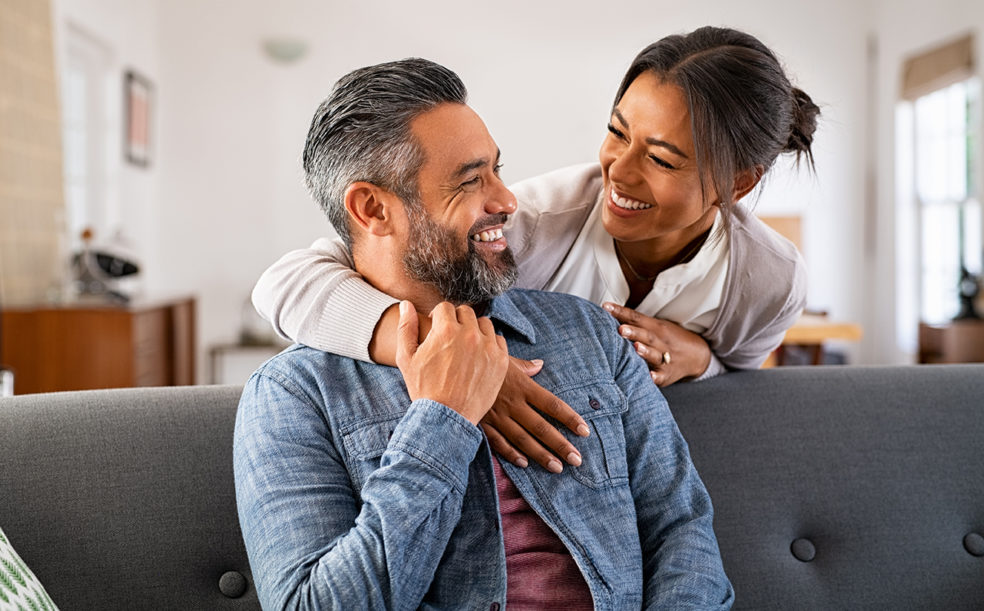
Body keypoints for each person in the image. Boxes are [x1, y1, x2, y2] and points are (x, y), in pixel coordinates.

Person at [234, 57, 733, 609]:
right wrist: (440, 421)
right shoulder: (294, 395)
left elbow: (682, 530)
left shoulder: (591, 332)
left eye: (497, 169)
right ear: (373, 208)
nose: (507, 200)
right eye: (471, 180)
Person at [251, 26, 820, 472]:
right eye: (617, 132)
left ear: (738, 183)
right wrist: (458, 361)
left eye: (662, 158)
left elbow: (741, 384)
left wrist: (703, 361)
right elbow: (287, 282)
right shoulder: (534, 222)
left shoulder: (769, 280)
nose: (617, 172)